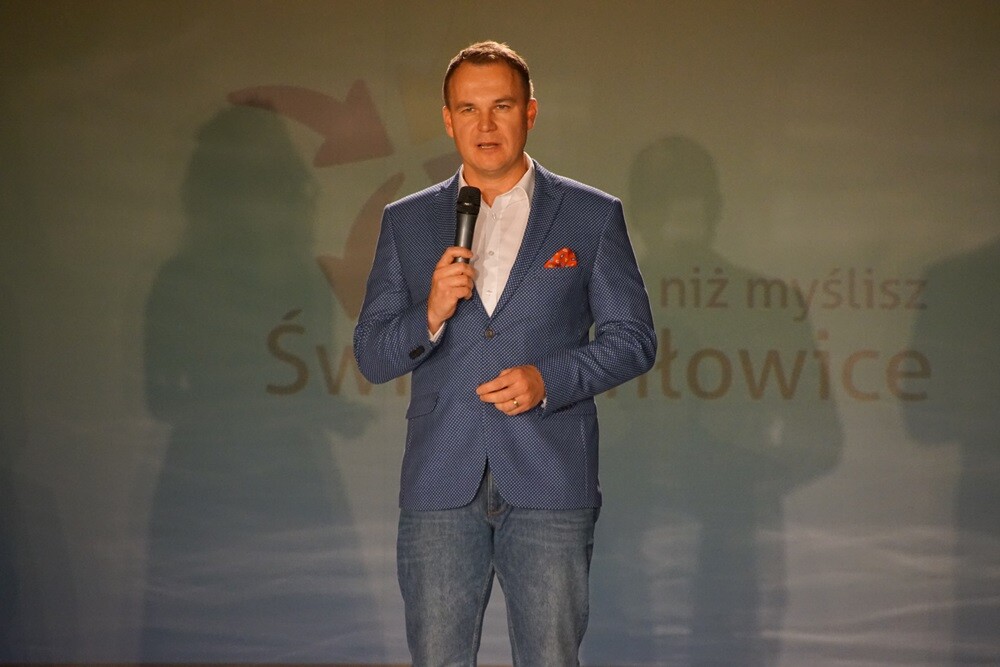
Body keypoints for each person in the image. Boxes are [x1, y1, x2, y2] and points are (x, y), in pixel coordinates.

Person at [353, 41, 656, 665]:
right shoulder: (407, 222)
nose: (485, 125)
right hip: (441, 479)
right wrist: (431, 312)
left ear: (531, 112)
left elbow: (633, 339)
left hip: (550, 478)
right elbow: (373, 356)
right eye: (468, 109)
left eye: (502, 106)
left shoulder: (590, 215)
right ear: (447, 120)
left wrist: (549, 378)